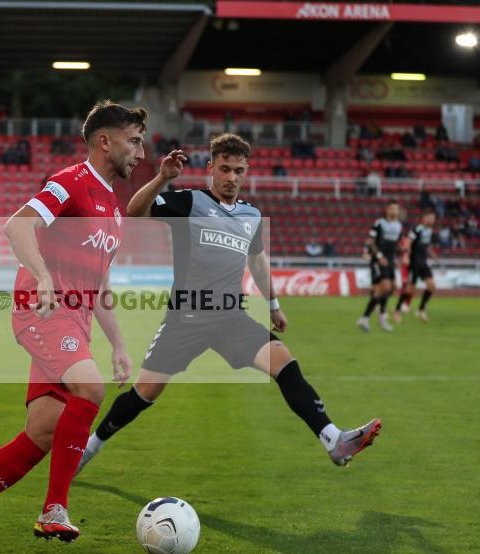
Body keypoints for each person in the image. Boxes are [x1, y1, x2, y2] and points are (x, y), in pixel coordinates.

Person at [77, 133, 381, 478]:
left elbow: (258, 261)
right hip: (186, 318)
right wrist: (163, 177)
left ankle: (333, 439)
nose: (231, 177)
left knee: (285, 363)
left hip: (231, 318)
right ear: (210, 168)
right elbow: (134, 212)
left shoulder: (251, 215)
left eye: (238, 170)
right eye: (224, 169)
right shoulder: (189, 201)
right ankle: (92, 446)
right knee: (144, 394)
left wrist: (273, 305)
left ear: (246, 171)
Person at [0, 101, 147, 546]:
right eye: (135, 141)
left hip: (74, 322)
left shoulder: (114, 209)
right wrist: (44, 276)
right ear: (105, 141)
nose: (141, 153)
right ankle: (54, 510)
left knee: (42, 434)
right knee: (91, 389)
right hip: (43, 311)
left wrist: (119, 345)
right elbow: (16, 227)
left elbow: (100, 283)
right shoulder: (70, 183)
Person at [357, 201, 403, 333]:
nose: (395, 211)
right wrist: (378, 256)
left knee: (389, 288)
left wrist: (402, 253)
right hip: (379, 260)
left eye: (397, 209)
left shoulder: (399, 226)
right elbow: (371, 241)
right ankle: (379, 317)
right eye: (392, 209)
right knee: (385, 287)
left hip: (390, 261)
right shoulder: (379, 223)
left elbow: (396, 244)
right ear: (387, 210)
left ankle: (368, 318)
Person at [394, 209, 438, 323]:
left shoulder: (429, 231)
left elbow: (424, 245)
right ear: (424, 218)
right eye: (430, 217)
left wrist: (431, 253)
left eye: (434, 218)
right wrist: (406, 256)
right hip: (414, 263)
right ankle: (397, 309)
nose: (433, 220)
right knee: (410, 290)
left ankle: (421, 310)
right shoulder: (417, 229)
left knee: (431, 286)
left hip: (423, 263)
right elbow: (408, 241)